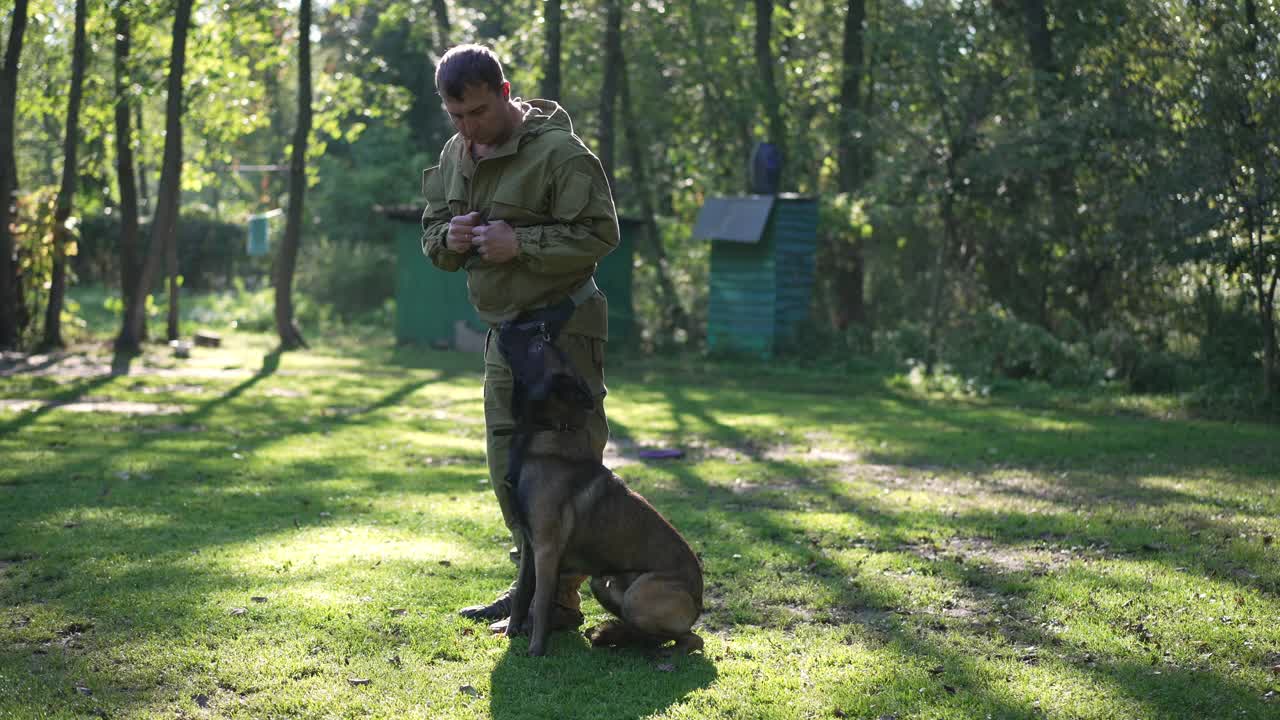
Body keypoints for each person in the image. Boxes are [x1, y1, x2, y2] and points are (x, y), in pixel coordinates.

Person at [420, 44, 618, 633]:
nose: (467, 127)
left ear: (504, 93)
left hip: (563, 330)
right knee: (509, 469)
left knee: (566, 464)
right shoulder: (456, 153)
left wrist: (521, 245)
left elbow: (601, 235)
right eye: (455, 116)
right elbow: (432, 235)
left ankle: (558, 599)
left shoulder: (560, 154)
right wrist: (449, 239)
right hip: (506, 335)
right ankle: (532, 584)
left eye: (477, 112)